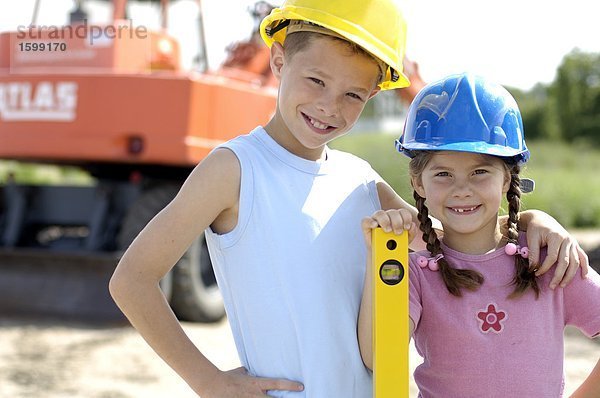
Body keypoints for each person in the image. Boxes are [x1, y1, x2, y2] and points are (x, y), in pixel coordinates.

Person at [110, 0, 588, 395]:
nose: (329, 106)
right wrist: (206, 380)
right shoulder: (235, 169)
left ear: (376, 93)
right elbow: (131, 280)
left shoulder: (359, 179)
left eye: (353, 95)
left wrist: (533, 222)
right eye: (316, 81)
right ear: (279, 61)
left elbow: (457, 230)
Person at [358, 73, 600, 397]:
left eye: (480, 172)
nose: (462, 189)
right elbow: (378, 356)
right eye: (443, 174)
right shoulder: (416, 273)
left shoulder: (547, 257)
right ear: (418, 183)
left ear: (505, 180)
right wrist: (381, 253)